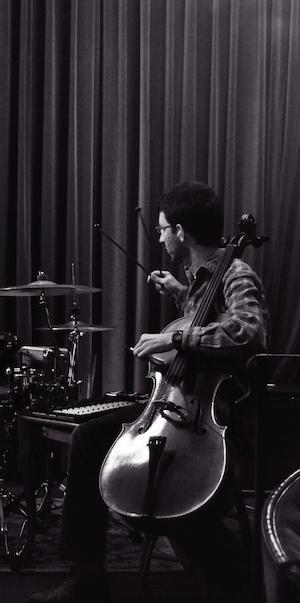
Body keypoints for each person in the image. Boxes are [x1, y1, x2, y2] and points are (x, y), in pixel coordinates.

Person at [27, 180, 270, 603]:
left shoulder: (235, 272)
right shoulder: (197, 280)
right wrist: (182, 297)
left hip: (216, 422)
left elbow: (248, 332)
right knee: (89, 438)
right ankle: (88, 575)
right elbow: (206, 327)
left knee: (169, 491)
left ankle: (245, 584)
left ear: (180, 231)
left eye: (161, 230)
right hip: (175, 408)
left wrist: (174, 340)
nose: (158, 238)